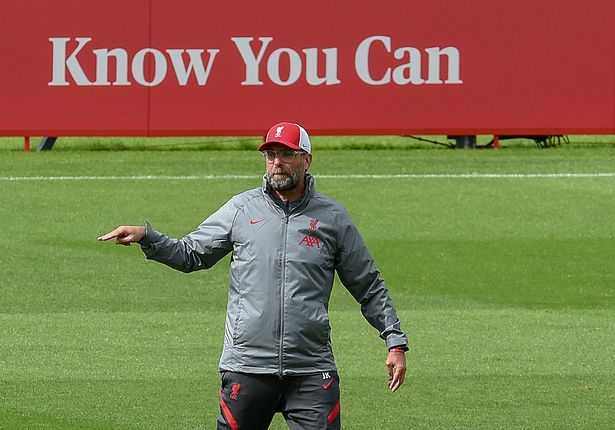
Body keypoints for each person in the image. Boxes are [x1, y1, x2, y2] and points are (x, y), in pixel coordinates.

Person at [98, 121, 409, 430]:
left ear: (307, 160)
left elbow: (368, 285)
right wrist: (148, 237)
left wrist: (394, 343)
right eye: (270, 155)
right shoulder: (241, 210)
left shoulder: (333, 219)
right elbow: (191, 254)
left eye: (287, 154)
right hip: (246, 366)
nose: (277, 162)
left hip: (311, 370)